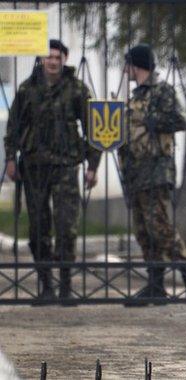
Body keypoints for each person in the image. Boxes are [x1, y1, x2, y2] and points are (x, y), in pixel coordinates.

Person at [4, 39, 101, 301]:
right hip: (34, 167)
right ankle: (46, 285)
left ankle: (66, 287)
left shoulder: (77, 89)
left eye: (58, 57)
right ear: (42, 60)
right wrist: (10, 160)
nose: (53, 61)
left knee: (66, 227)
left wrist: (93, 166)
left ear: (65, 59)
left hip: (66, 166)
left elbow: (94, 129)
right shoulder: (27, 88)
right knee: (38, 229)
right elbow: (12, 128)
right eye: (49, 57)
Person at [119, 44, 186, 302]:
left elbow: (181, 119)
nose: (125, 70)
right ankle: (156, 285)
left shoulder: (162, 91)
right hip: (136, 173)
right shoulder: (135, 95)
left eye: (127, 64)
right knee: (143, 231)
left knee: (162, 228)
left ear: (136, 65)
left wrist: (153, 122)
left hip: (156, 170)